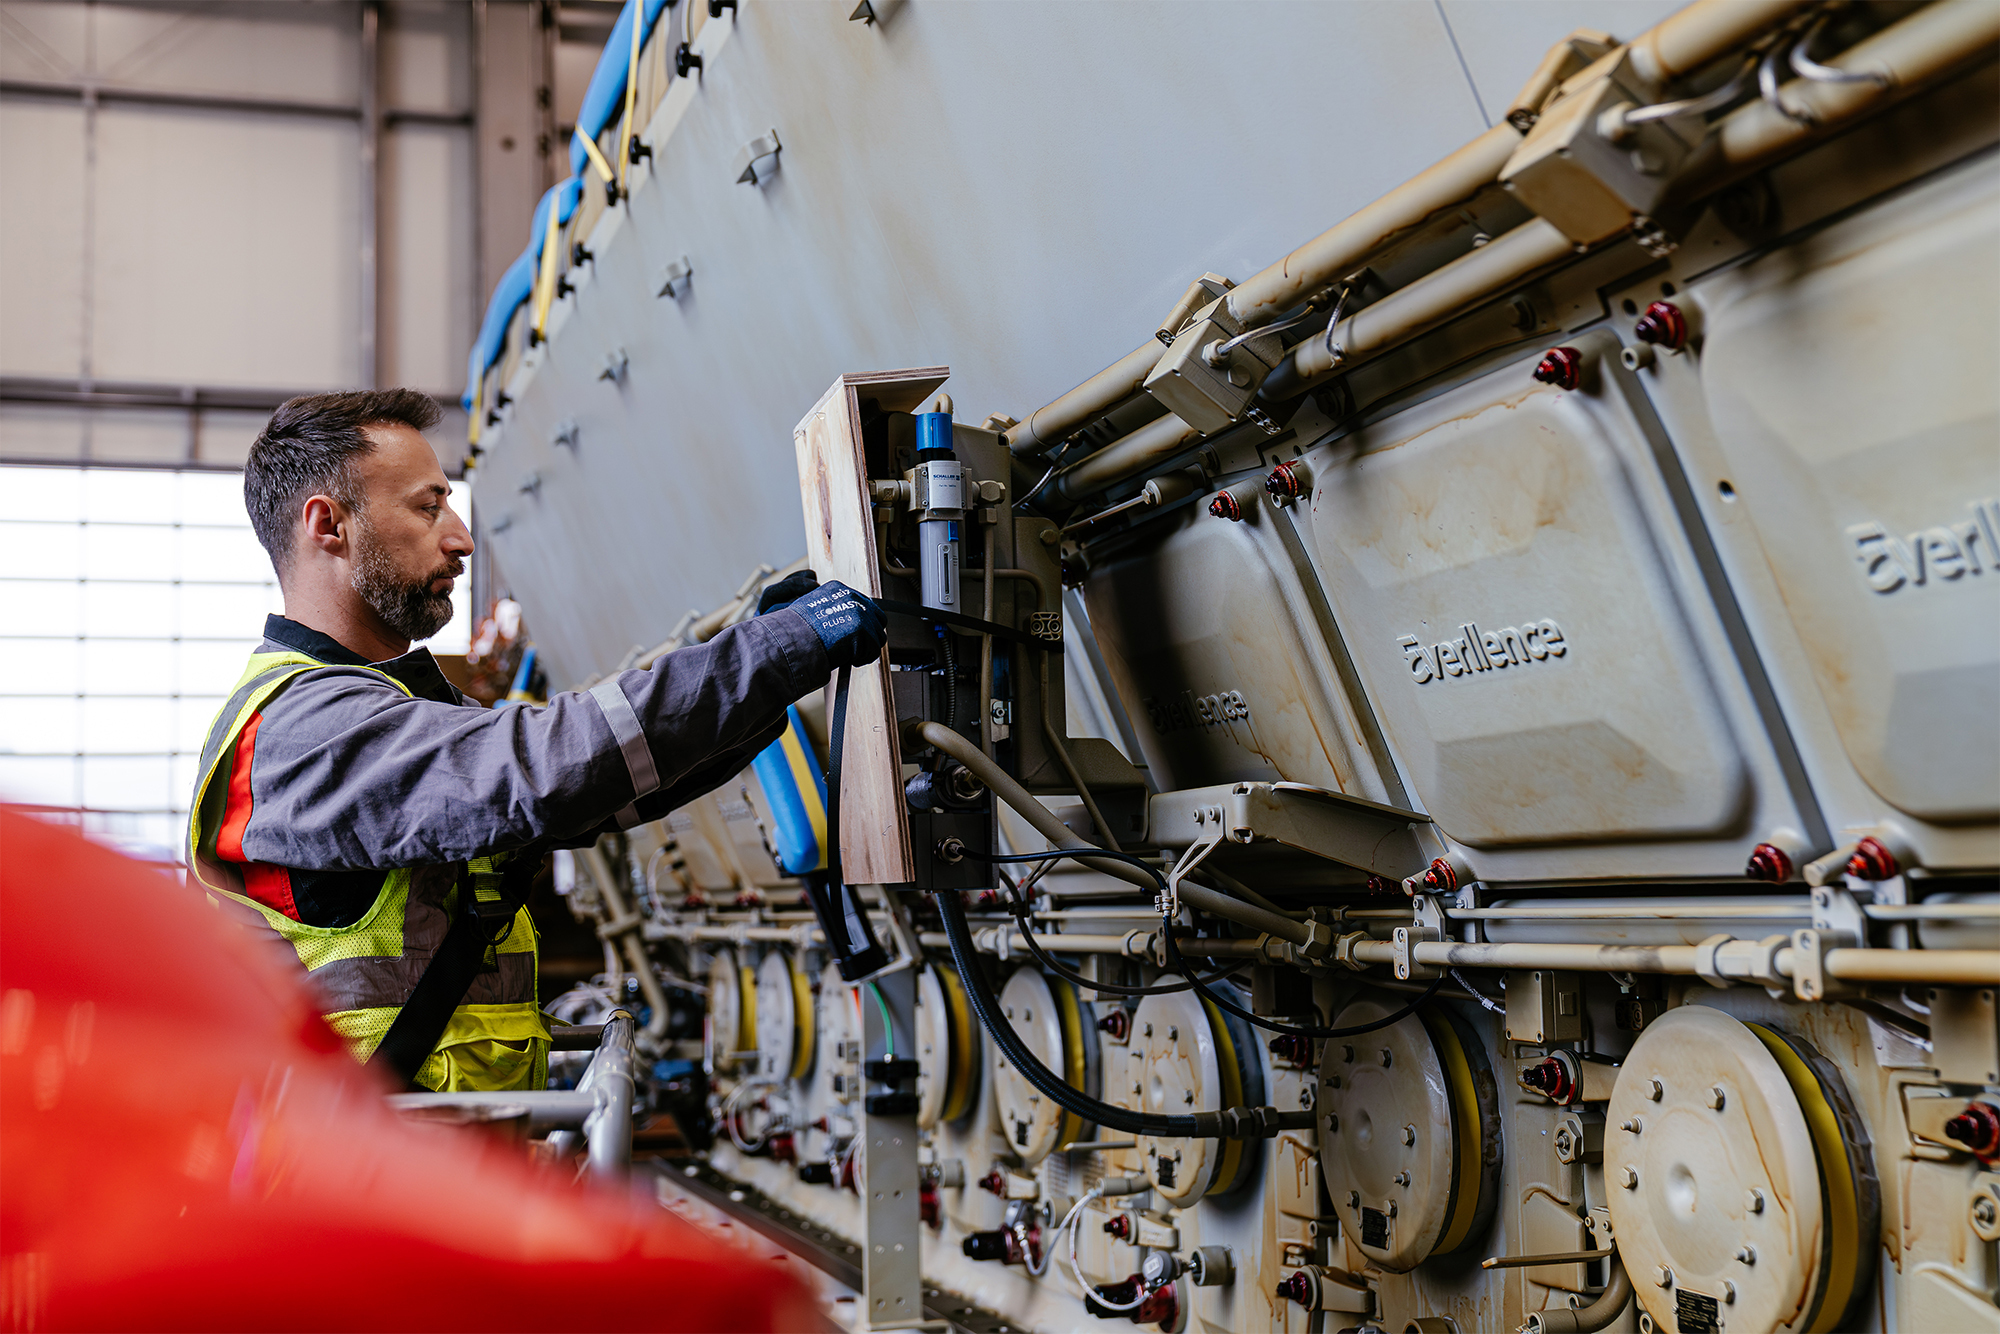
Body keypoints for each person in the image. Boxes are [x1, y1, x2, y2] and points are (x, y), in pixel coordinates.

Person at [185, 389, 884, 1092]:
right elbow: (541, 767)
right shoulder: (304, 728)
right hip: (354, 1179)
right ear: (328, 524)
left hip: (420, 1166)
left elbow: (587, 797)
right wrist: (778, 648)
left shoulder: (376, 707)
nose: (459, 538)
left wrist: (763, 673)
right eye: (428, 507)